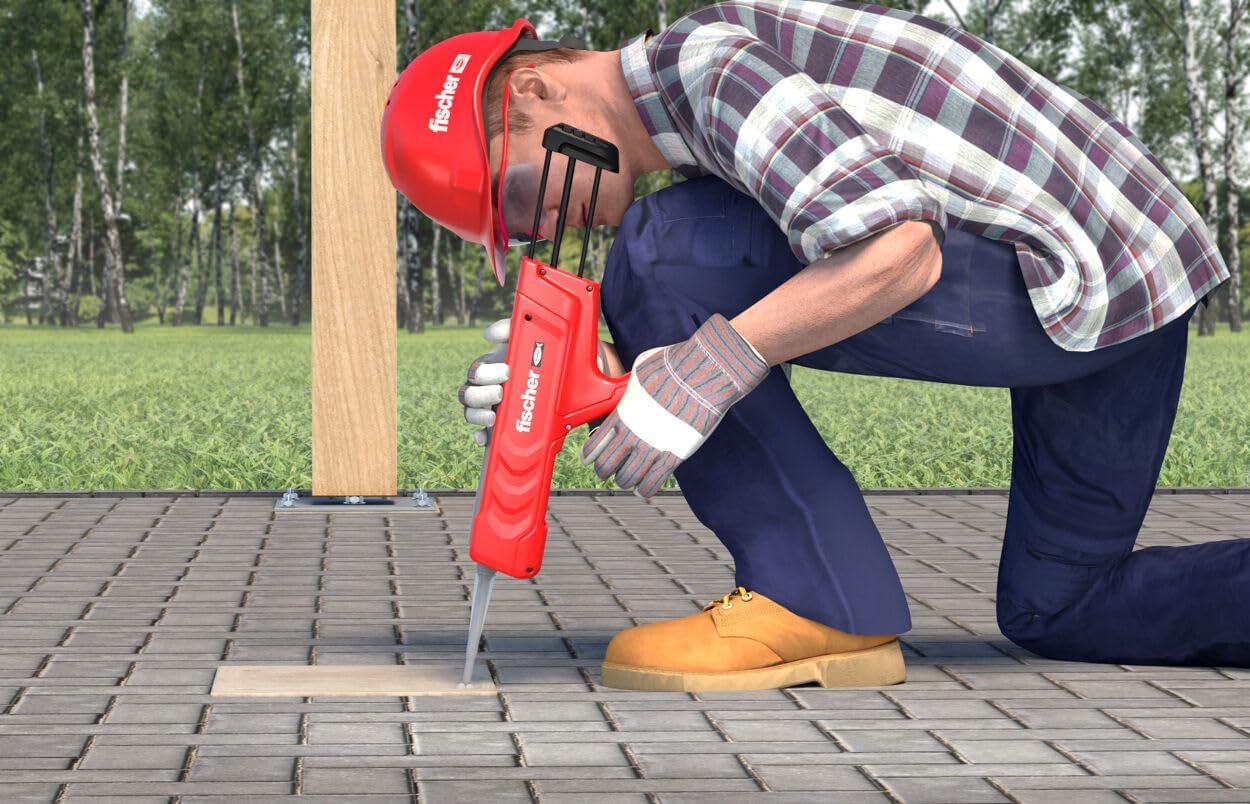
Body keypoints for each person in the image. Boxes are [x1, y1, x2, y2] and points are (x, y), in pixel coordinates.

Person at [381, 2, 1241, 692]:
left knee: (655, 250)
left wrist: (699, 374)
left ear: (531, 89)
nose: (539, 225)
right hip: (1135, 288)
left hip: (1068, 275)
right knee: (1064, 607)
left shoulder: (707, 68)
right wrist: (584, 382)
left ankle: (815, 595)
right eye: (514, 229)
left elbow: (899, 251)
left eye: (519, 191)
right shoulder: (713, 96)